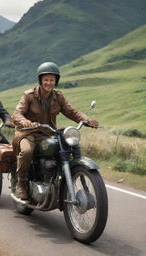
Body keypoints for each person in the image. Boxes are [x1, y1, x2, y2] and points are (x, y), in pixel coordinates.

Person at [12, 62, 99, 200]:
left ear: (56, 81)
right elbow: (17, 114)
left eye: (52, 80)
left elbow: (71, 111)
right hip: (28, 134)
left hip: (48, 134)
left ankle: (56, 180)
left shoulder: (58, 97)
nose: (49, 83)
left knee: (64, 149)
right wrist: (24, 122)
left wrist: (86, 119)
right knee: (27, 151)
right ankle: (21, 183)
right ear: (40, 80)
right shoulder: (29, 96)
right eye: (46, 79)